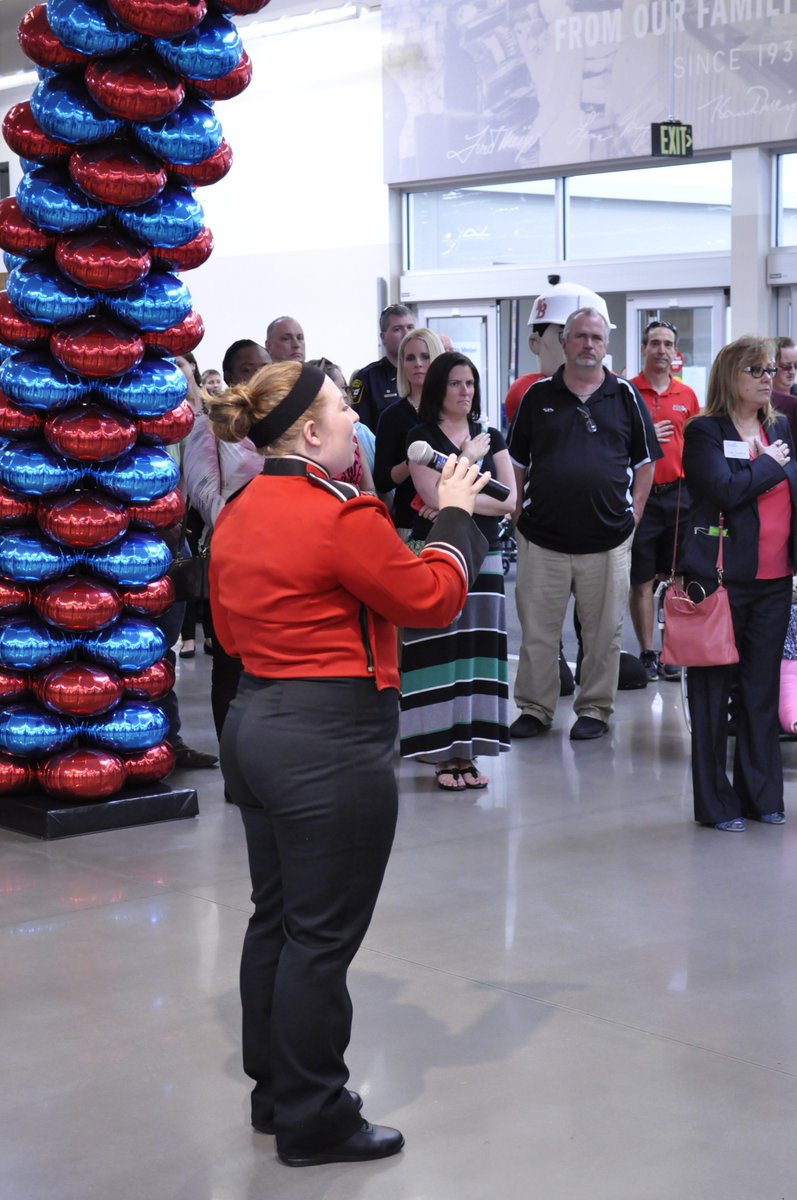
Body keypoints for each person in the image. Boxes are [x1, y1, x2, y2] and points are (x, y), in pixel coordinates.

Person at [208, 360, 489, 1166]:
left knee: (278, 918)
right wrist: (456, 515)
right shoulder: (339, 510)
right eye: (340, 406)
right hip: (328, 737)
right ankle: (314, 1114)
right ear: (310, 431)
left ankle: (275, 1093)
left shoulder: (239, 507)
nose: (351, 417)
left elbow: (227, 633)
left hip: (255, 722)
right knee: (320, 939)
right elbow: (432, 598)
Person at [507, 307, 660, 740]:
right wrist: (518, 511)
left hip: (608, 540)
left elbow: (646, 463)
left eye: (596, 337)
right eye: (579, 337)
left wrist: (636, 512)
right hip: (543, 539)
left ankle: (594, 708)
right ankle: (535, 709)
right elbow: (516, 462)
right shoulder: (538, 396)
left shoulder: (625, 395)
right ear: (565, 342)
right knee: (538, 633)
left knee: (603, 635)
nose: (588, 345)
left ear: (605, 345)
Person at [680, 336, 797, 831]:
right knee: (711, 696)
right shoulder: (705, 431)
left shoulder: (781, 425)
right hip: (722, 582)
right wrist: (768, 464)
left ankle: (763, 796)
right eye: (756, 369)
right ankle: (717, 805)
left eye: (771, 368)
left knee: (760, 692)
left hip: (775, 580)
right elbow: (725, 489)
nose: (768, 377)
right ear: (732, 376)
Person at [404, 352, 515, 789]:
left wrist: (459, 494)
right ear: (438, 389)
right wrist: (468, 460)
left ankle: (467, 752)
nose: (464, 391)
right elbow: (433, 494)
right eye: (455, 383)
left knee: (476, 652)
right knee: (439, 650)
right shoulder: (422, 436)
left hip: (483, 553)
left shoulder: (492, 435)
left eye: (470, 383)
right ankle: (439, 754)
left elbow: (508, 501)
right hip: (437, 551)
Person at [183, 340, 267, 737]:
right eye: (247, 369)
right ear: (231, 376)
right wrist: (248, 525)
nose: (257, 375)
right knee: (232, 666)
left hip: (285, 557)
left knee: (272, 663)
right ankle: (236, 771)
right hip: (234, 554)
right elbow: (203, 492)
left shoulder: (286, 420)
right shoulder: (213, 422)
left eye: (263, 367)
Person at [629, 320, 700, 681]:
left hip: (679, 497)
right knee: (640, 579)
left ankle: (673, 652)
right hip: (641, 496)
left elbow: (697, 446)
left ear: (675, 352)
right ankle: (647, 653)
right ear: (644, 349)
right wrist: (645, 437)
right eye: (654, 343)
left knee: (677, 577)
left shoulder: (687, 396)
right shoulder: (627, 392)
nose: (661, 349)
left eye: (667, 344)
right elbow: (615, 444)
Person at [504, 279, 612, 428]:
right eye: (573, 336)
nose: (586, 346)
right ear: (535, 343)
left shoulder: (619, 389)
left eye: (596, 337)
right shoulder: (528, 391)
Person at [373, 328, 444, 537]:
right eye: (410, 358)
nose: (418, 364)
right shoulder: (391, 416)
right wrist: (413, 461)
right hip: (409, 523)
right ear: (402, 365)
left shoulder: (455, 410)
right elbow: (382, 480)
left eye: (425, 356)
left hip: (452, 521)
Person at [307, 357, 377, 491]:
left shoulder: (355, 437)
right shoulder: (309, 446)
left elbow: (370, 489)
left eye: (346, 388)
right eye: (340, 388)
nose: (345, 394)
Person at [349, 303, 415, 432]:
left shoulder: (422, 373)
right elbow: (362, 432)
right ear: (383, 337)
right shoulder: (367, 378)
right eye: (398, 329)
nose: (407, 334)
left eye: (410, 328)